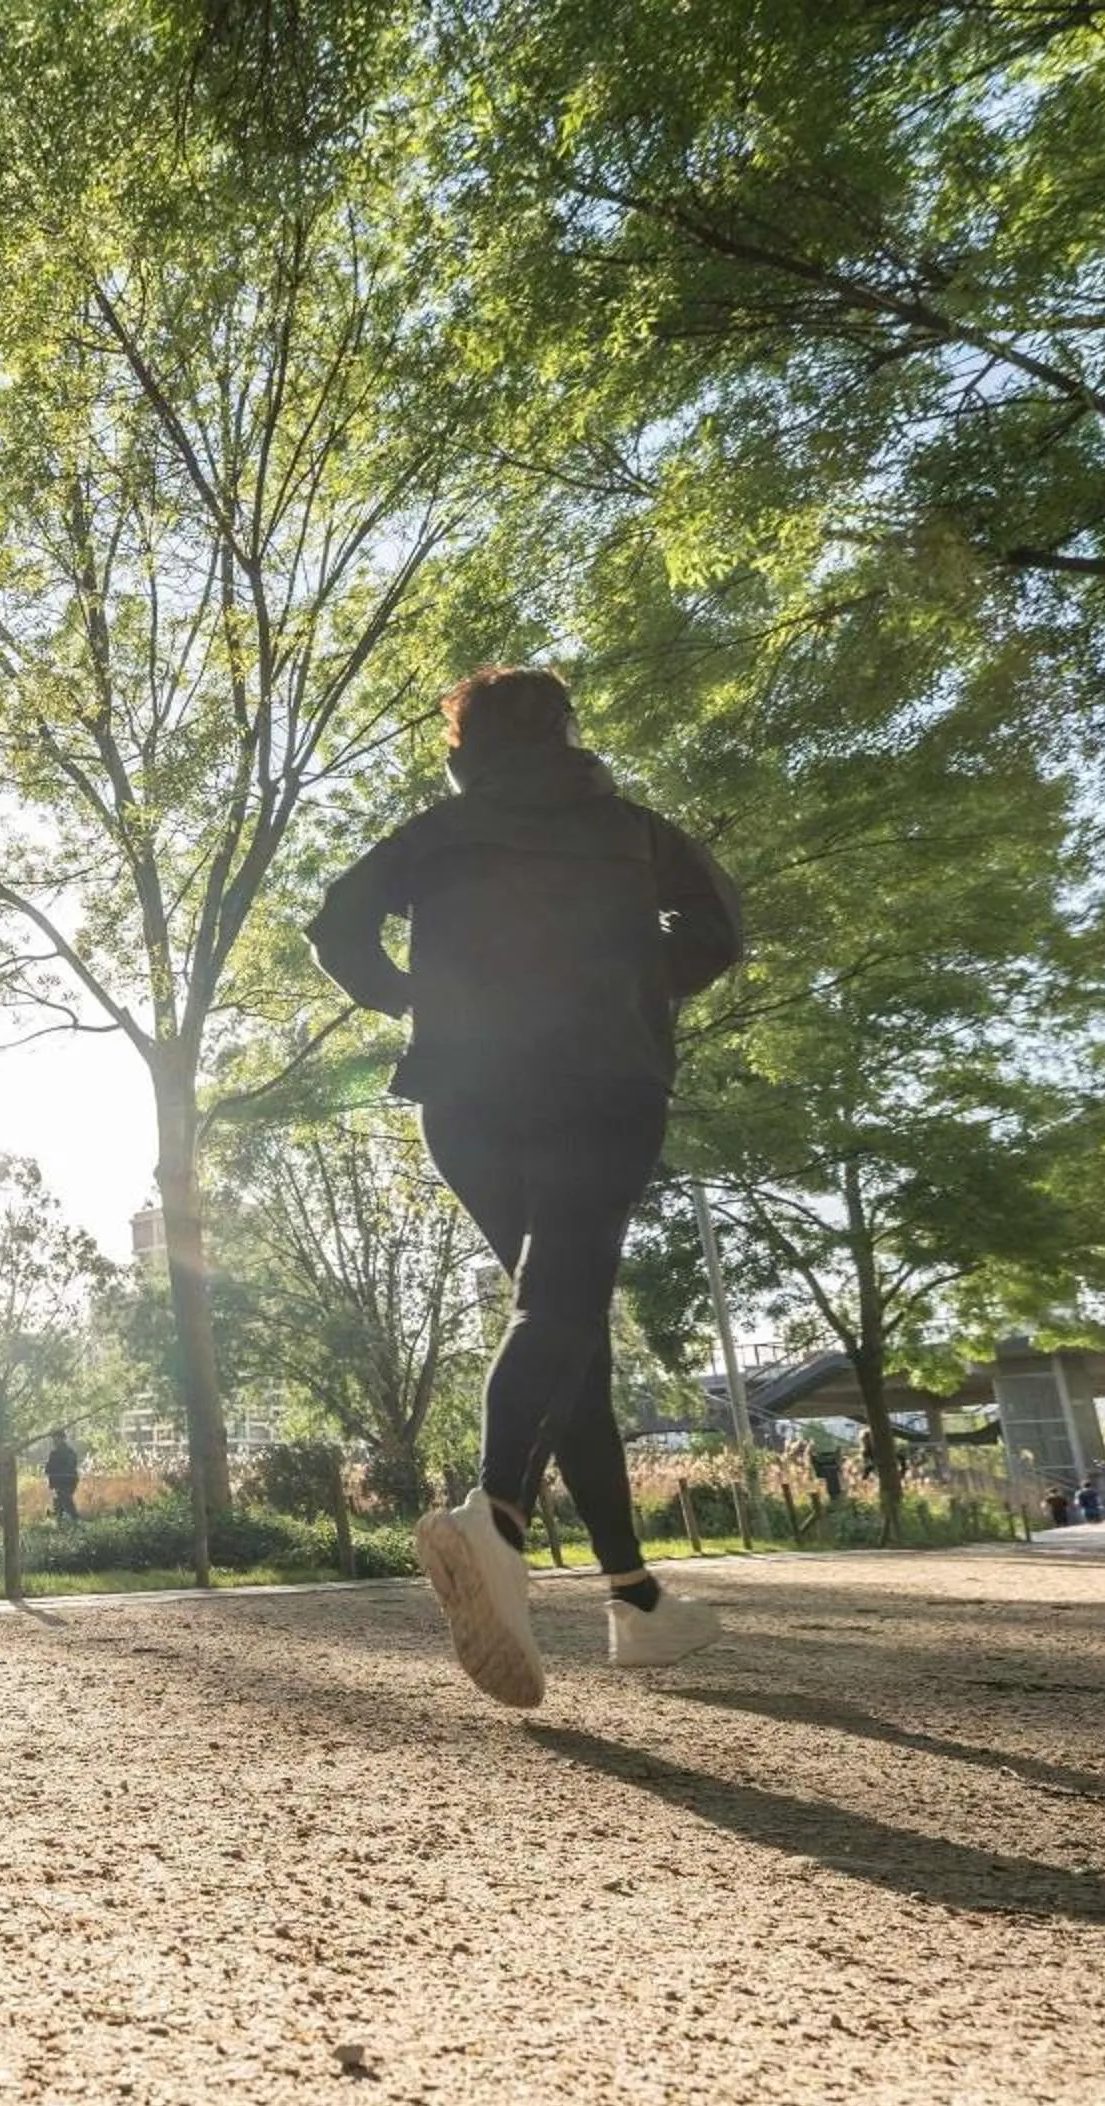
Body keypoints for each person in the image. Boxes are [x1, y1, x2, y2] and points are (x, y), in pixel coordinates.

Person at [307, 665, 742, 1706]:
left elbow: (335, 925)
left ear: (465, 753)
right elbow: (720, 933)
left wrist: (415, 997)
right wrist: (635, 982)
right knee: (563, 1304)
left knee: (557, 1323)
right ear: (567, 737)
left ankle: (635, 1601)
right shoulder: (638, 832)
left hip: (467, 1094)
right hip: (602, 1077)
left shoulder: (432, 836)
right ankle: (494, 1513)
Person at [44, 1430, 82, 1526]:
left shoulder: (67, 1452)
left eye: (56, 1438)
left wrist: (54, 1470)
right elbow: (48, 1469)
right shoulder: (56, 1453)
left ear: (62, 1439)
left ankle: (76, 1522)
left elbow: (68, 1467)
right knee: (59, 1504)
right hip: (59, 1482)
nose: (54, 1441)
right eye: (53, 1439)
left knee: (66, 1502)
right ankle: (61, 1523)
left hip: (66, 1482)